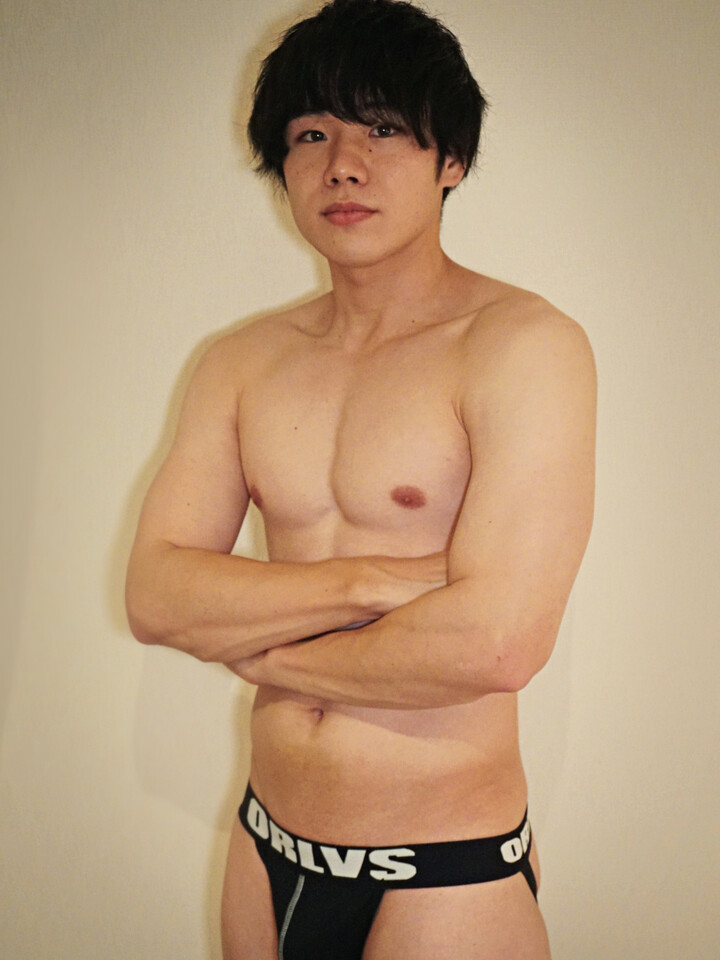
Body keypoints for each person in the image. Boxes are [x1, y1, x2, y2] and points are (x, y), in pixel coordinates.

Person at [125, 0, 596, 956]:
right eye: (312, 134)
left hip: (441, 873)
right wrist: (373, 584)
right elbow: (156, 594)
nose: (343, 163)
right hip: (266, 846)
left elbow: (498, 643)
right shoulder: (240, 362)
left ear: (450, 158)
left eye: (381, 128)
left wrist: (269, 658)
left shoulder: (522, 346)